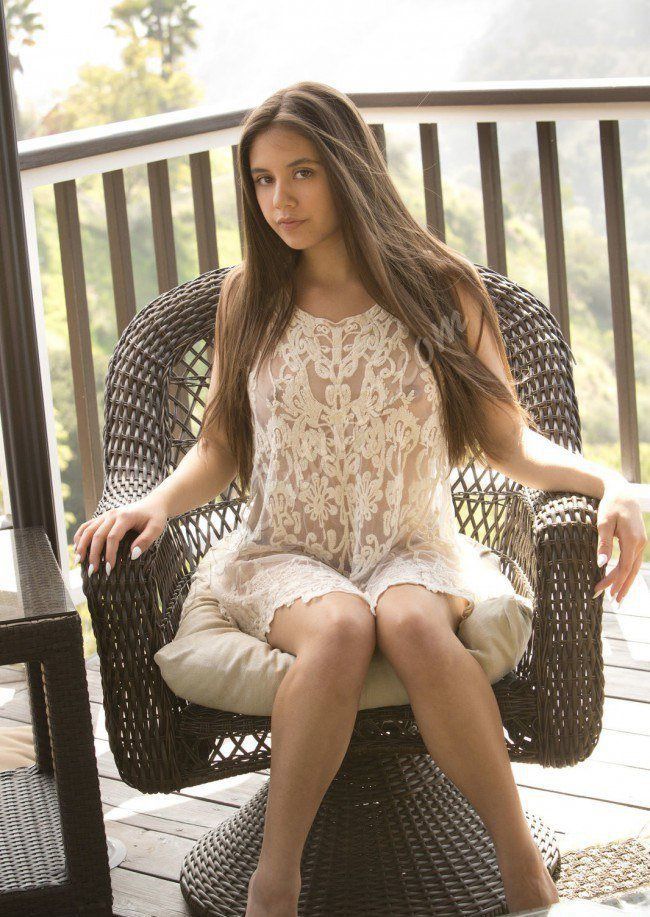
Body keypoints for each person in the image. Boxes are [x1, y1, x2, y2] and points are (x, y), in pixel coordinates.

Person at [73, 81, 647, 917]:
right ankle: (276, 882)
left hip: (412, 543)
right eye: (263, 179)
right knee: (342, 626)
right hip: (282, 553)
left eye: (302, 172)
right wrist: (159, 501)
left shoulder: (441, 291)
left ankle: (520, 863)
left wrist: (611, 483)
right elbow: (219, 446)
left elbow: (508, 441)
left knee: (411, 622)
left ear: (348, 169)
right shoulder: (250, 296)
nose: (281, 199)